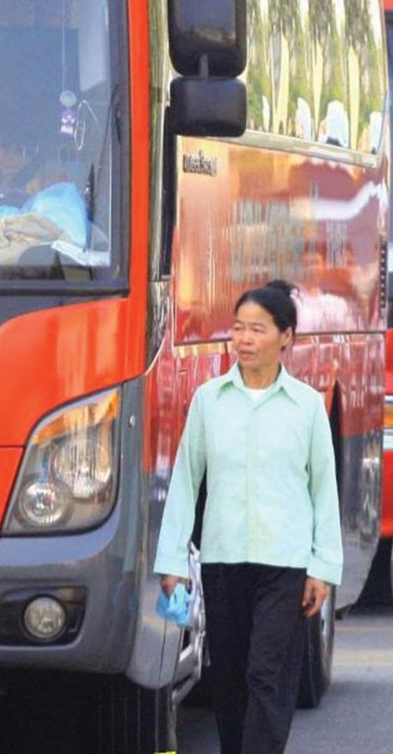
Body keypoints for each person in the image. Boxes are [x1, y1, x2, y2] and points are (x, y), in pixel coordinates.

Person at [154, 281, 340, 754]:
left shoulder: (307, 407)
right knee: (230, 680)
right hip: (223, 558)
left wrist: (323, 567)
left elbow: (324, 490)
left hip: (285, 563)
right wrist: (173, 561)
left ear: (286, 337)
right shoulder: (209, 401)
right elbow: (185, 482)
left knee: (267, 674)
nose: (245, 339)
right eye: (238, 328)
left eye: (258, 329)